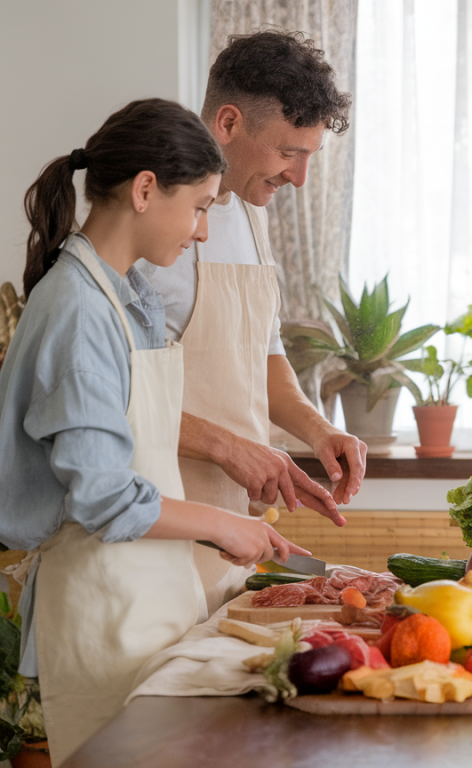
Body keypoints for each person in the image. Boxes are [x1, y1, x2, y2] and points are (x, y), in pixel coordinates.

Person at [0, 99, 312, 766]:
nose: (203, 231)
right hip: (102, 605)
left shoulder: (124, 294)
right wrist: (221, 524)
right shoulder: (78, 308)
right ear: (145, 190)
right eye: (200, 206)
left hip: (145, 597)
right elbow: (104, 497)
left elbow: (134, 427)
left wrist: (234, 481)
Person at [137, 31, 367, 616]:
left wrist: (318, 432)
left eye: (310, 157)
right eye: (290, 152)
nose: (300, 178)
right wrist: (228, 447)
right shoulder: (151, 219)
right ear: (229, 123)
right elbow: (112, 395)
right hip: (152, 528)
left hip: (230, 534)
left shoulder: (248, 208)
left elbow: (261, 356)